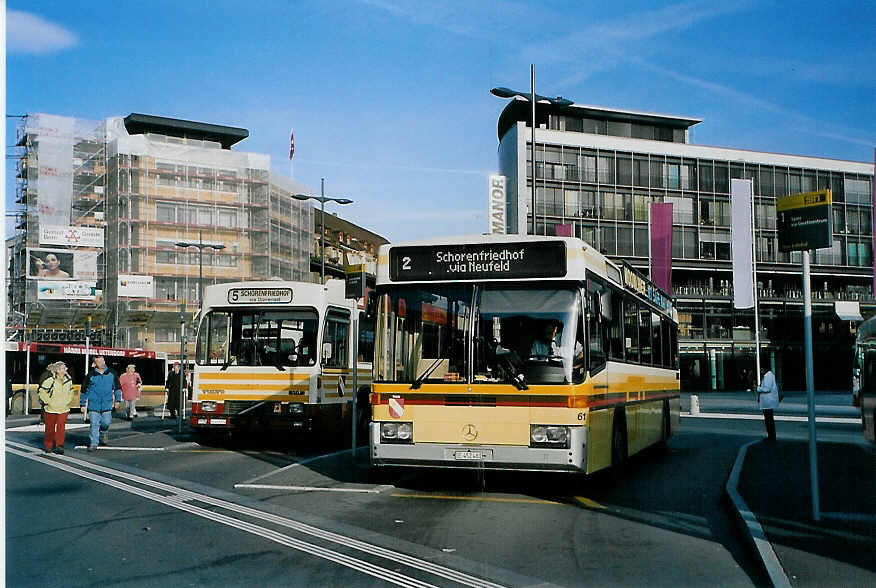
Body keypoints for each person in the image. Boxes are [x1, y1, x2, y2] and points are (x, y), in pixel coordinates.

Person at [79, 355, 122, 451]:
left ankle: (104, 432)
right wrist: (82, 404)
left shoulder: (112, 373)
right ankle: (93, 443)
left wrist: (118, 400)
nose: (102, 363)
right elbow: (84, 390)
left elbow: (117, 388)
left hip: (107, 404)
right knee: (94, 424)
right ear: (95, 364)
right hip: (94, 405)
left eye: (103, 361)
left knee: (106, 423)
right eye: (99, 362)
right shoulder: (90, 375)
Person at [37, 361, 74, 454]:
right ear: (58, 370)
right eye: (63, 368)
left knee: (61, 428)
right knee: (50, 428)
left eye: (65, 367)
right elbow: (42, 391)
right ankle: (48, 446)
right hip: (51, 409)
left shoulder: (68, 380)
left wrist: (68, 400)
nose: (66, 369)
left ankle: (59, 446)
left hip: (64, 408)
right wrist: (48, 402)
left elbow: (71, 391)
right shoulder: (50, 380)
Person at [757, 365, 780, 441]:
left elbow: (767, 389)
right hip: (767, 402)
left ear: (764, 369)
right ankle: (770, 435)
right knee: (768, 419)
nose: (760, 371)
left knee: (769, 420)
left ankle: (771, 436)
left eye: (761, 370)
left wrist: (758, 388)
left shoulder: (768, 376)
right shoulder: (768, 375)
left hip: (768, 402)